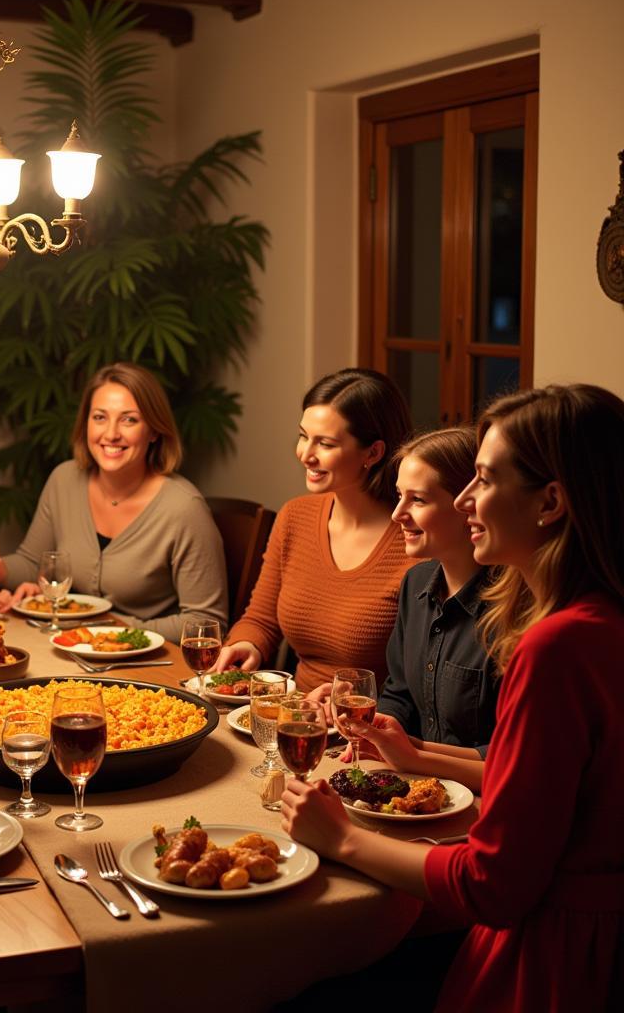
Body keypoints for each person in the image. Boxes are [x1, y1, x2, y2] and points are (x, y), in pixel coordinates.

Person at [281, 384, 624, 1012]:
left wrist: (342, 839)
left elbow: (495, 884)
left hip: (558, 957)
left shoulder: (557, 647)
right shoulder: (598, 620)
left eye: (484, 481)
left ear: (551, 501)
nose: (466, 500)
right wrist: (412, 753)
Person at [0, 362, 228, 643]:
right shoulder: (64, 479)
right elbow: (32, 562)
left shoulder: (184, 508)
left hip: (150, 667)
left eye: (129, 419)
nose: (110, 434)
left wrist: (103, 629)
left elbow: (206, 623)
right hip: (76, 652)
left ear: (155, 430)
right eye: (99, 417)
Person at [316, 427, 498, 793]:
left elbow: (509, 756)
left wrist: (409, 751)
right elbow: (398, 693)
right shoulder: (416, 583)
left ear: (468, 505)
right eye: (400, 496)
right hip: (413, 785)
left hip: (479, 799)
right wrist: (374, 728)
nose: (398, 513)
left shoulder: (508, 609)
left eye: (418, 500)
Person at [214, 368, 416, 691]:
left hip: (367, 727)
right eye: (303, 436)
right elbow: (261, 621)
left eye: (325, 443)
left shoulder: (413, 539)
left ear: (373, 452)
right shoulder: (296, 516)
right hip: (294, 717)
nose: (306, 454)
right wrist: (248, 644)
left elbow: (417, 684)